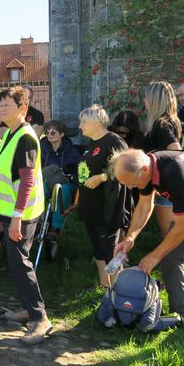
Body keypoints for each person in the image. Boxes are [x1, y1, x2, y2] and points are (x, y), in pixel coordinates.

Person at [112, 149, 184, 347]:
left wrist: (154, 255)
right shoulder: (149, 167)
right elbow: (144, 207)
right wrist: (130, 238)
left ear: (145, 169)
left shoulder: (178, 173)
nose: (130, 187)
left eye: (130, 182)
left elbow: (183, 228)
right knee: (170, 256)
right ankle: (183, 314)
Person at [0, 86, 51, 345]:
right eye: (0, 105)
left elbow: (27, 181)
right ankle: (29, 308)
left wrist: (16, 218)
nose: (1, 109)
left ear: (22, 109)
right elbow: (6, 167)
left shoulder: (24, 137)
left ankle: (40, 318)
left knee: (20, 264)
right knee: (18, 262)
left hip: (22, 214)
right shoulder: (10, 134)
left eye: (7, 105)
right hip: (10, 211)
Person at [76, 105, 128, 288]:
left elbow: (128, 168)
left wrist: (102, 177)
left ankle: (119, 291)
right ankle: (104, 286)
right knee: (97, 248)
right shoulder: (91, 144)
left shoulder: (113, 141)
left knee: (109, 250)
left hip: (107, 206)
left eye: (83, 122)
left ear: (96, 122)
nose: (80, 126)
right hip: (90, 206)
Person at [141, 81, 182, 242]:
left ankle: (175, 267)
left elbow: (177, 152)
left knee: (171, 239)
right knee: (171, 238)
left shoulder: (161, 124)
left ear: (153, 100)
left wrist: (164, 180)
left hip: (165, 191)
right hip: (163, 189)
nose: (144, 102)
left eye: (146, 98)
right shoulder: (167, 122)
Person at [39, 120, 81, 239]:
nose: (49, 135)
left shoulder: (72, 152)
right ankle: (36, 221)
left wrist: (78, 187)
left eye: (53, 132)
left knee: (62, 189)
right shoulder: (42, 149)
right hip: (48, 182)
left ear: (62, 134)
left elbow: (78, 172)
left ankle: (56, 229)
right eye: (47, 133)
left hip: (68, 184)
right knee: (38, 190)